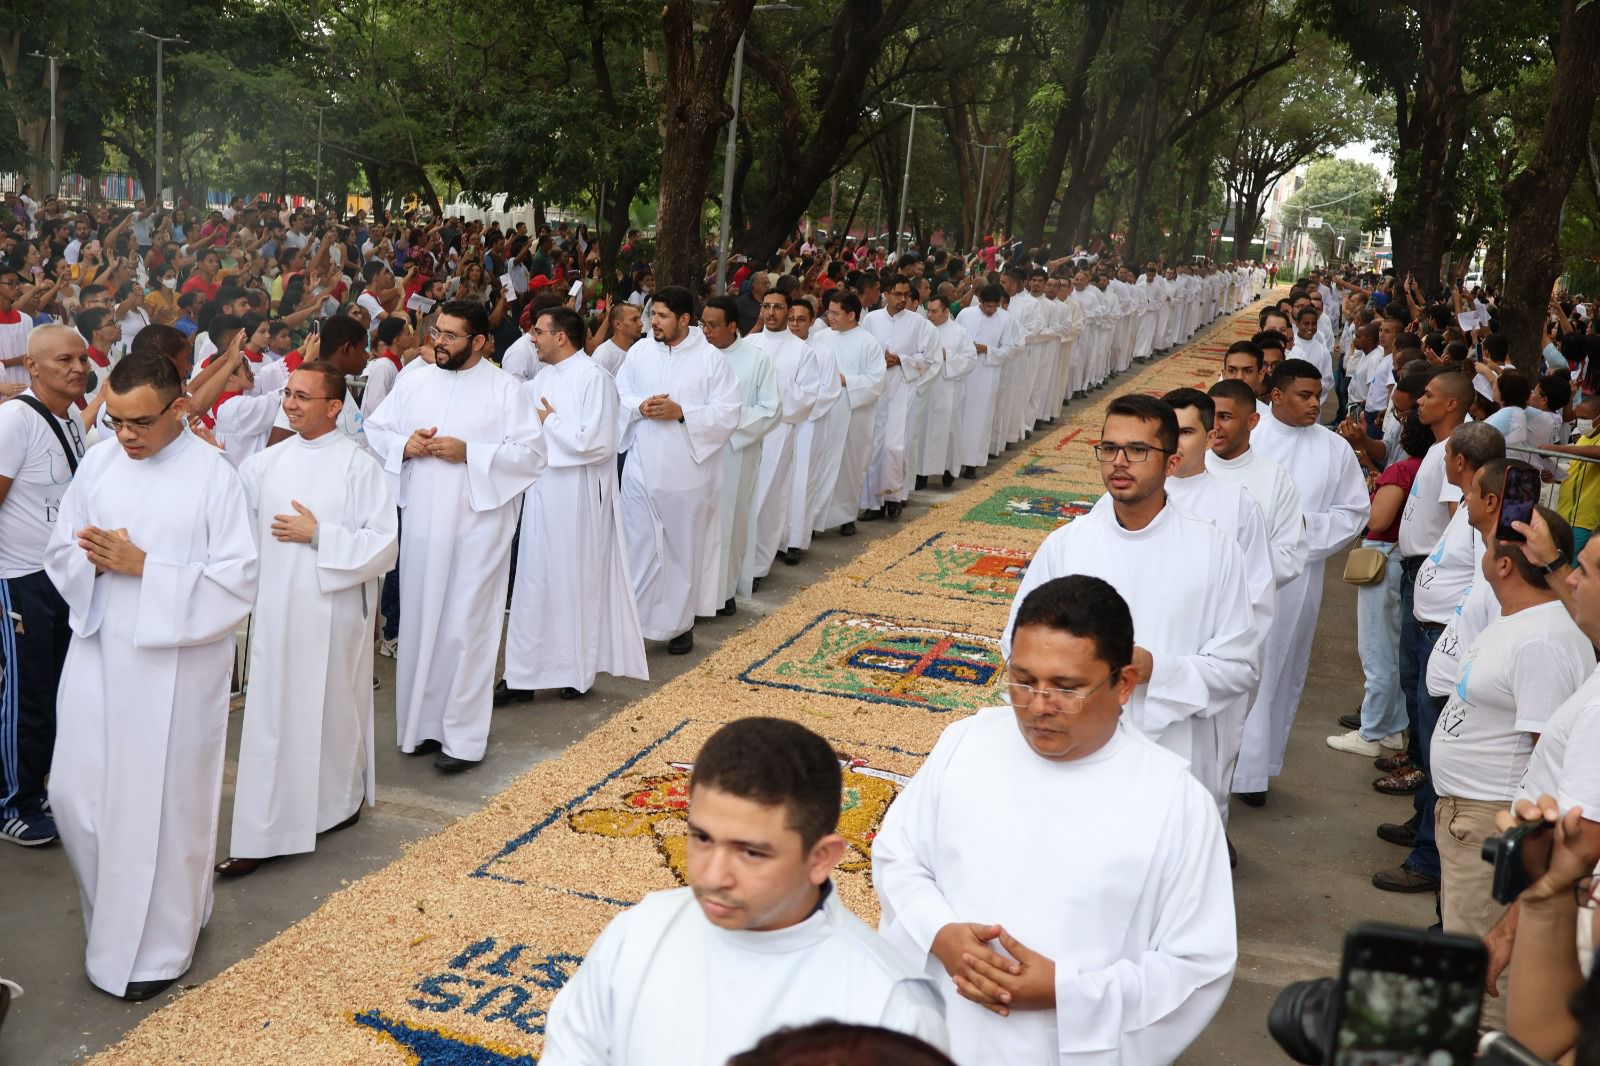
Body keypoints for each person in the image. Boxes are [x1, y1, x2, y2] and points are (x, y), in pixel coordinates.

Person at [877, 575, 1236, 1065]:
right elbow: (899, 856)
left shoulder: (1175, 802)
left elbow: (1197, 965)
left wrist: (1065, 993)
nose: (1038, 707)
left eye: (1067, 688)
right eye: (1023, 681)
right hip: (941, 1033)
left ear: (1124, 683)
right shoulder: (967, 743)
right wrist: (940, 933)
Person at [540, 717, 949, 1064]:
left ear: (822, 857)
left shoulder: (891, 1007)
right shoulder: (638, 933)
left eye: (751, 852)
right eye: (701, 838)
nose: (713, 875)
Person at [45, 352, 259, 1000]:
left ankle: (163, 946)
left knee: (165, 808)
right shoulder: (101, 461)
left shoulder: (214, 477)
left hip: (177, 666)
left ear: (180, 409)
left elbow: (239, 580)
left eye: (139, 422)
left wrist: (147, 567)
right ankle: (111, 926)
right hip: (99, 649)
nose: (126, 436)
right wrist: (94, 564)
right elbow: (60, 547)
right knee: (75, 797)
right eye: (114, 421)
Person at [1002, 394, 1259, 797]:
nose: (1119, 461)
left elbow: (1239, 666)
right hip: (1074, 749)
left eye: (1137, 450)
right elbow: (1015, 644)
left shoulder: (1214, 550)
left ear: (1172, 462)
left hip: (1174, 754)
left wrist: (1155, 668)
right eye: (1109, 448)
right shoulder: (1067, 545)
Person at [218, 360, 399, 877]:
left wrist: (320, 535)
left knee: (332, 711)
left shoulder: (358, 465)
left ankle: (335, 805)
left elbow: (384, 542)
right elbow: (239, 539)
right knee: (274, 720)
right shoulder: (263, 464)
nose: (290, 403)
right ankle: (264, 828)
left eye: (302, 396)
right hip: (277, 612)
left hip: (335, 611)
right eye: (289, 394)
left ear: (334, 406)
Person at [363, 300, 547, 772]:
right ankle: (422, 727)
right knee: (423, 623)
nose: (438, 342)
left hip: (478, 527)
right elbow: (377, 429)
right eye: (436, 331)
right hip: (424, 522)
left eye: (450, 335)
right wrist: (405, 445)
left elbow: (530, 455)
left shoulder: (507, 389)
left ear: (480, 342)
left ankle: (462, 740)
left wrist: (472, 453)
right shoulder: (415, 379)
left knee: (468, 628)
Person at [1429, 506, 1592, 1028]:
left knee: (1479, 1007)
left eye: (1582, 571)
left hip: (1494, 825)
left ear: (1503, 564)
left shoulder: (1543, 640)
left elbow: (1580, 829)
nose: (1569, 578)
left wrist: (1510, 924)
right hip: (1468, 822)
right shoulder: (1528, 620)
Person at [1375, 422, 1507, 893]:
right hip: (1434, 633)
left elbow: (1479, 584)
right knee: (1428, 743)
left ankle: (1429, 860)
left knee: (1438, 754)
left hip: (1446, 640)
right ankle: (1423, 826)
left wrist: (1450, 639)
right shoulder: (1468, 502)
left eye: (1448, 455)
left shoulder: (1481, 512)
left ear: (1459, 462)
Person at [1234, 359, 1369, 805]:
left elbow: (1353, 511)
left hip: (1294, 576)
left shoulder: (1333, 449)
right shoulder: (1248, 438)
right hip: (1232, 570)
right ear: (1275, 396)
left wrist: (1299, 531)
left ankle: (1255, 769)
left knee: (1277, 668)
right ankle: (1222, 760)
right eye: (1305, 395)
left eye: (1318, 396)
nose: (1317, 403)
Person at [497, 307, 647, 704]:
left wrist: (550, 423)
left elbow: (596, 442)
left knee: (572, 582)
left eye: (539, 331)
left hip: (578, 496)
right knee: (533, 582)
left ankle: (575, 671)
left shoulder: (593, 377)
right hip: (542, 491)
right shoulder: (541, 378)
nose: (532, 337)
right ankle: (522, 675)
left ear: (561, 336)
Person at [1160, 387, 1274, 827]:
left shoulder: (1236, 504)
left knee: (1202, 791)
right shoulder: (1122, 502)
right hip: (1139, 672)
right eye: (1167, 432)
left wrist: (1215, 668)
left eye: (1186, 431)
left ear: (1210, 437)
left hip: (1209, 675)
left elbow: (1258, 596)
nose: (1174, 443)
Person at [615, 286, 741, 654]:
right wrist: (640, 406)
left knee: (680, 549)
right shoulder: (639, 352)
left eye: (663, 316)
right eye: (653, 314)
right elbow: (618, 393)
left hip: (687, 472)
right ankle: (632, 623)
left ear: (685, 319)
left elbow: (728, 412)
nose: (653, 322)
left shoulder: (711, 360)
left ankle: (681, 624)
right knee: (637, 546)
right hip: (640, 468)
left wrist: (682, 412)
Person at [0, 325, 89, 846]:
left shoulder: (72, 416)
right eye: (63, 360)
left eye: (80, 358)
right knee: (26, 693)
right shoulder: (14, 421)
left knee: (58, 689)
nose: (77, 367)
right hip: (20, 578)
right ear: (33, 367)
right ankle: (14, 802)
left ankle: (39, 788)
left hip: (61, 574)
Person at [1327, 411, 1432, 759]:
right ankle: (1390, 726)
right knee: (1395, 649)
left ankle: (1372, 730)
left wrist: (1373, 492)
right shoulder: (1432, 468)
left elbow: (1379, 518)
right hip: (1406, 559)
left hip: (1385, 558)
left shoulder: (1403, 470)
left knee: (1376, 649)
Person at [701, 295, 779, 613]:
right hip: (696, 450)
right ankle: (694, 596)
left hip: (735, 451)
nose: (705, 331)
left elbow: (771, 408)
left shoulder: (756, 360)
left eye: (713, 325)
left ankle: (724, 591)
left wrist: (728, 422)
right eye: (702, 323)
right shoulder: (693, 356)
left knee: (730, 522)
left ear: (733, 326)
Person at [745, 290, 821, 588]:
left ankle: (757, 567)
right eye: (767, 307)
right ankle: (734, 564)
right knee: (744, 500)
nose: (772, 312)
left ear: (788, 311)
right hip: (746, 431)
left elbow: (806, 399)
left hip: (779, 431)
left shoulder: (803, 352)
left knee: (770, 499)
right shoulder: (748, 345)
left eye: (778, 307)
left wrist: (773, 381)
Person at [860, 276, 939, 520]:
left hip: (903, 388)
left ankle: (894, 498)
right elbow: (862, 349)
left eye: (906, 294)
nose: (902, 299)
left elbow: (928, 358)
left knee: (897, 445)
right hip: (877, 388)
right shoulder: (871, 320)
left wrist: (901, 360)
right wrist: (878, 360)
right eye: (897, 294)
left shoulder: (919, 323)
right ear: (886, 293)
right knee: (874, 445)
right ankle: (872, 503)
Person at [815, 293, 887, 538]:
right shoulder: (820, 338)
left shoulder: (868, 342)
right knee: (820, 464)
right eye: (829, 312)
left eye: (835, 313)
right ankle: (813, 519)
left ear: (851, 315)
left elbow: (877, 380)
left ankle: (846, 517)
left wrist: (848, 381)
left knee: (850, 465)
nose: (829, 317)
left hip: (854, 414)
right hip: (824, 413)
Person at [782, 298, 844, 561]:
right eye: (791, 319)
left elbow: (829, 392)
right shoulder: (779, 347)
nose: (795, 324)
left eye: (801, 319)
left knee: (802, 482)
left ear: (811, 321)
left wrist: (801, 409)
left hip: (808, 425)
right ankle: (774, 539)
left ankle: (795, 541)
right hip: (779, 425)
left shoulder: (824, 352)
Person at [954, 284, 1019, 476]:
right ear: (980, 301)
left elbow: (1010, 350)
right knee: (959, 414)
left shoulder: (1005, 321)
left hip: (987, 374)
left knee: (980, 418)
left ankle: (972, 463)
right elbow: (954, 338)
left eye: (994, 307)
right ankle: (953, 462)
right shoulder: (966, 315)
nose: (991, 310)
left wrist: (987, 350)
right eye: (987, 306)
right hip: (964, 373)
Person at [918, 293, 978, 488]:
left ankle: (948, 469)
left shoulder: (959, 332)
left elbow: (970, 359)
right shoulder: (922, 329)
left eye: (935, 311)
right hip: (925, 389)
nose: (930, 315)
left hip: (947, 389)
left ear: (946, 311)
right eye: (928, 311)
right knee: (922, 429)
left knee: (949, 430)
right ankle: (921, 473)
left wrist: (947, 356)